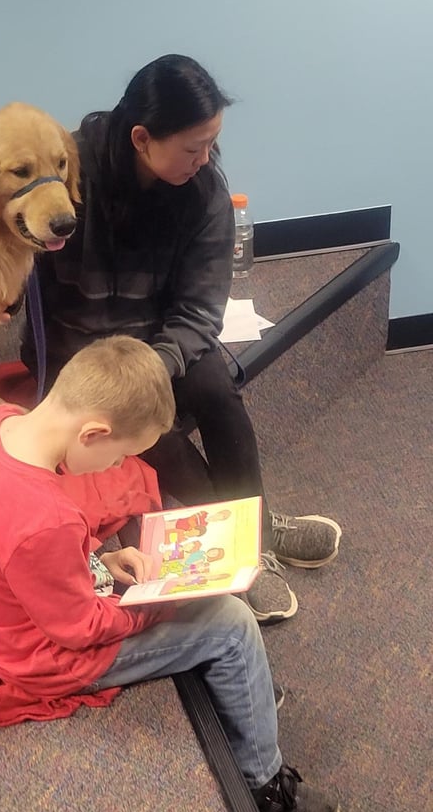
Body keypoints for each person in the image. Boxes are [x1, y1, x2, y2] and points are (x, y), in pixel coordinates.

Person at [0, 336, 340, 812]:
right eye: (118, 458)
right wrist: (164, 600)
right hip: (49, 658)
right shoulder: (44, 519)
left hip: (36, 607)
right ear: (92, 433)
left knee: (211, 612)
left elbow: (26, 546)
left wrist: (100, 561)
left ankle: (245, 686)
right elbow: (79, 630)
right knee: (233, 625)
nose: (114, 469)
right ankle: (265, 784)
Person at [20, 53, 342, 625]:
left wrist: (157, 361)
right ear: (142, 138)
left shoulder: (203, 193)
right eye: (193, 148)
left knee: (216, 387)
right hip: (81, 351)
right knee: (155, 430)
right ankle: (247, 548)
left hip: (158, 338)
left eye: (211, 143)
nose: (205, 159)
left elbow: (198, 310)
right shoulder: (69, 173)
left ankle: (252, 538)